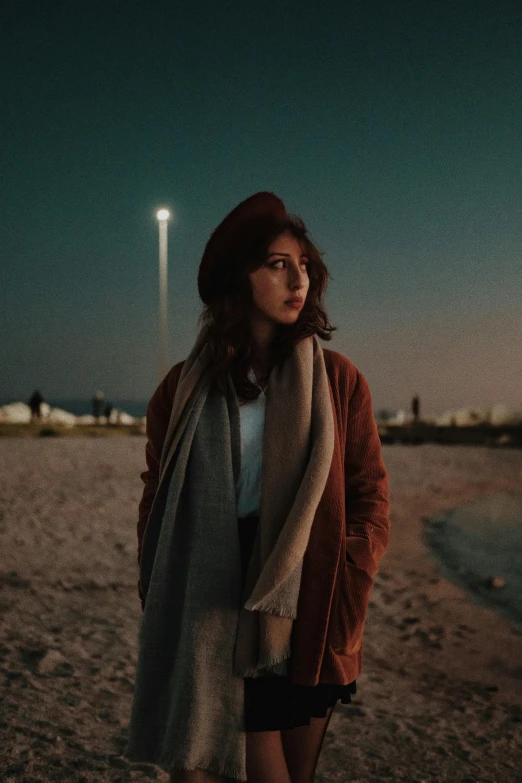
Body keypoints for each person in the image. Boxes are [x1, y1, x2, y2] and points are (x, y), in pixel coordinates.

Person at [126, 192, 391, 783]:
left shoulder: (338, 380)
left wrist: (353, 566)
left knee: (296, 771)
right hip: (214, 583)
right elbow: (157, 487)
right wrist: (155, 570)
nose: (298, 279)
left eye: (304, 267)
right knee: (233, 754)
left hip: (308, 588)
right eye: (277, 264)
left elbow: (369, 493)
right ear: (237, 279)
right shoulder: (183, 388)